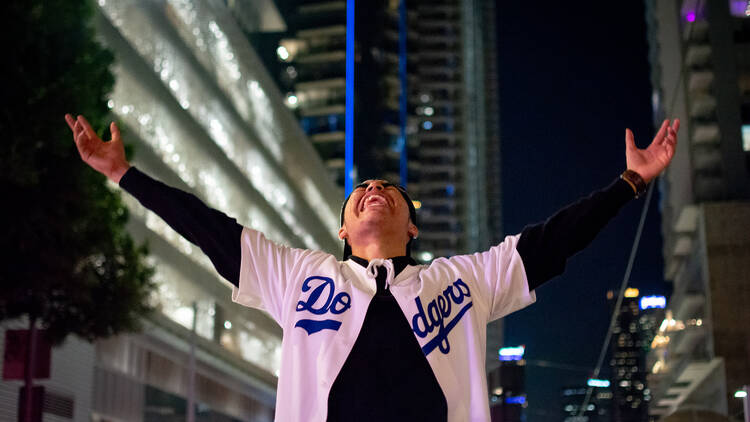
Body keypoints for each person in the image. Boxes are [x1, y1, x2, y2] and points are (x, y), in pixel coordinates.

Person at [65, 114, 679, 422]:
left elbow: (554, 242)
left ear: (412, 226)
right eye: (360, 190)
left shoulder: (461, 281)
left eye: (388, 188)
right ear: (341, 229)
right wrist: (124, 174)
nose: (374, 189)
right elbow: (207, 228)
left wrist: (630, 182)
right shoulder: (300, 276)